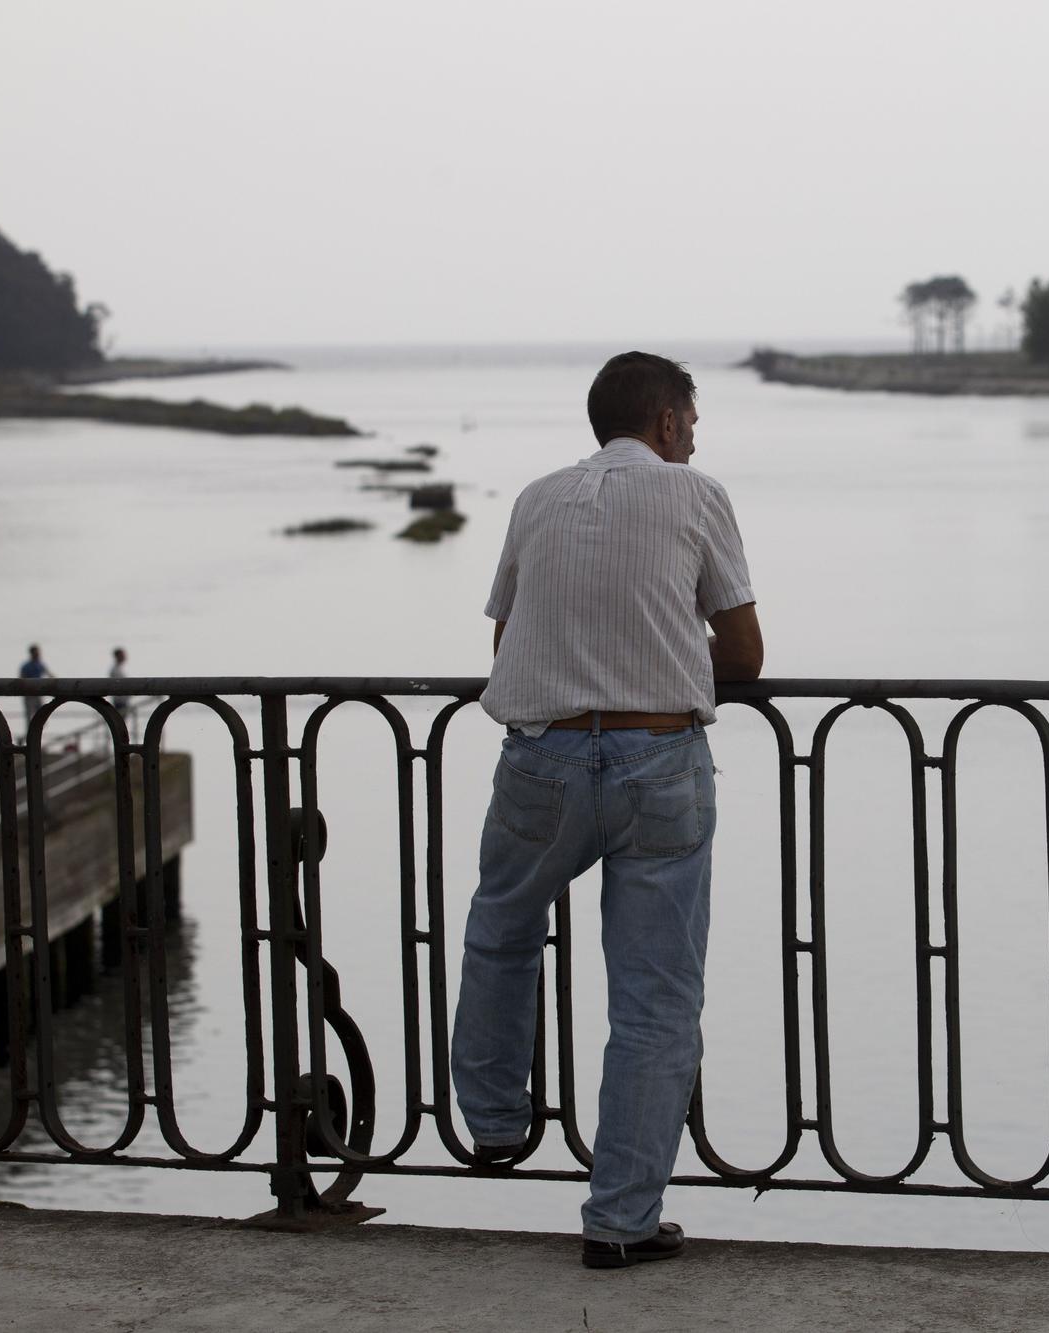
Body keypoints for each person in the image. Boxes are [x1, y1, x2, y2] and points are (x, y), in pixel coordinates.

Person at [452, 351, 763, 1270]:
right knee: (656, 999)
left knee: (501, 933)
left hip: (540, 764)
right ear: (666, 422)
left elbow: (509, 638)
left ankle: (497, 1122)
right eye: (693, 422)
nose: (695, 438)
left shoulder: (537, 498)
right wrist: (659, 628)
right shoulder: (696, 494)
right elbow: (743, 653)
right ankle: (622, 1221)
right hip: (657, 762)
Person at [18, 643, 52, 741]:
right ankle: (28, 739)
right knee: (29, 719)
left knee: (42, 716)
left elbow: (49, 674)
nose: (38, 654)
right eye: (37, 652)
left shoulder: (40, 664)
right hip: (29, 695)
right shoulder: (26, 666)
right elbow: (21, 679)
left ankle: (32, 736)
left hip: (37, 695)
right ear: (32, 653)